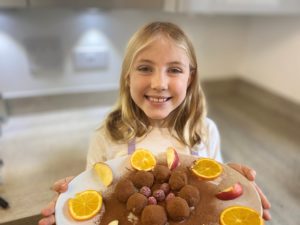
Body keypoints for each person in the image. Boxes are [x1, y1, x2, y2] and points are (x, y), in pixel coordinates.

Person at [38, 21, 271, 225]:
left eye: (174, 70)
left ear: (189, 79)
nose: (159, 83)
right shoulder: (107, 136)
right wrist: (73, 195)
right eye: (145, 68)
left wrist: (236, 182)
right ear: (128, 77)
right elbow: (93, 190)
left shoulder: (204, 132)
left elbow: (215, 182)